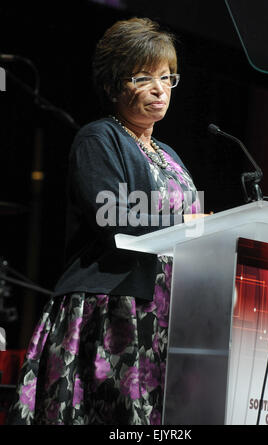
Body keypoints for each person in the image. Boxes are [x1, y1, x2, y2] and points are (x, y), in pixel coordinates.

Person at [7, 17, 201, 425]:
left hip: (164, 314)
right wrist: (186, 219)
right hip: (111, 308)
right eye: (144, 77)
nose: (159, 89)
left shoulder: (170, 154)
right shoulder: (99, 138)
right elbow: (110, 216)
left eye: (167, 77)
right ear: (114, 85)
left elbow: (196, 223)